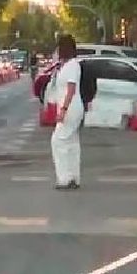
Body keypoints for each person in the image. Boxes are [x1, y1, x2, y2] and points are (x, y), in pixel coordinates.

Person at [49, 34, 83, 190]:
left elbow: (71, 89)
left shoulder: (72, 66)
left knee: (58, 141)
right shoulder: (66, 65)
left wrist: (63, 109)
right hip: (70, 107)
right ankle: (74, 177)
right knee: (71, 142)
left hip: (70, 108)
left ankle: (65, 178)